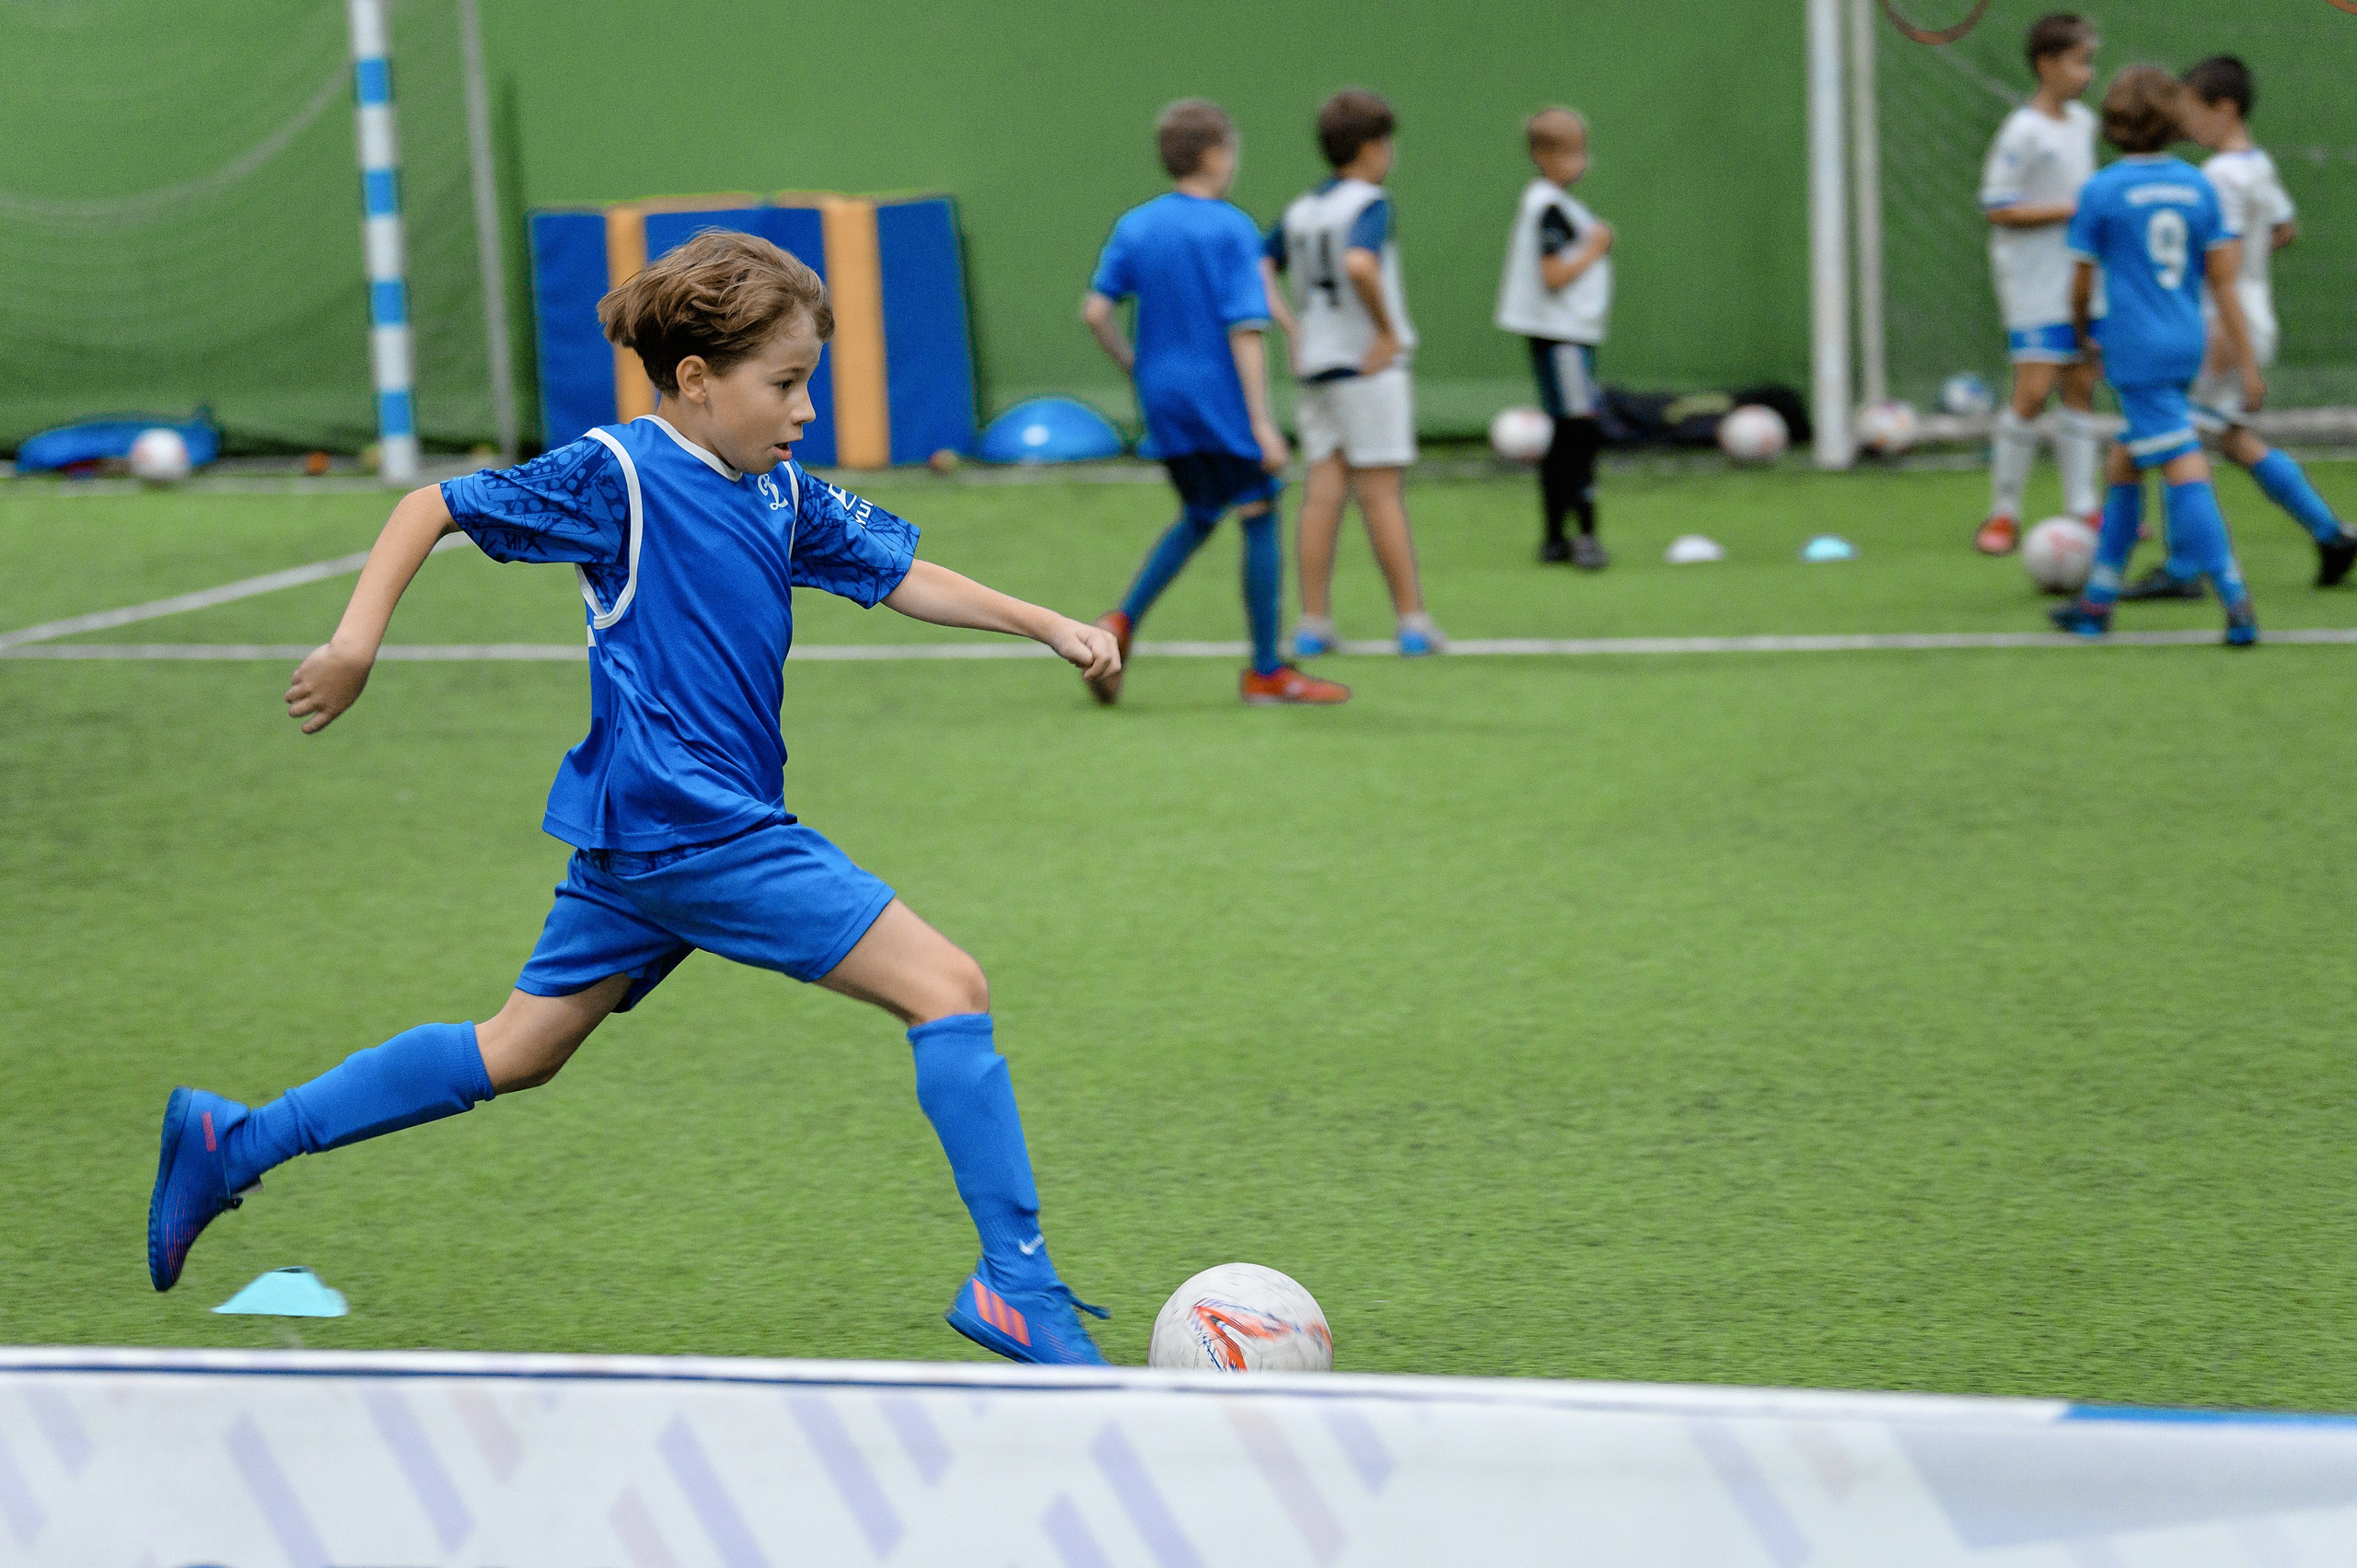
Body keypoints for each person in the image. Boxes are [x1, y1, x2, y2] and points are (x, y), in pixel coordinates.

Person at [147, 231, 1124, 1365]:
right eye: (787, 383)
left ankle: (233, 1140)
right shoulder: (616, 475)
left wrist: (1048, 623)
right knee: (948, 985)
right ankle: (1017, 1281)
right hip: (697, 826)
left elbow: (902, 572)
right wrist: (354, 642)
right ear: (698, 381)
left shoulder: (778, 489)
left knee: (516, 1048)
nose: (806, 409)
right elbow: (431, 505)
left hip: (639, 842)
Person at [1081, 99, 1349, 706]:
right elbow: (1246, 331)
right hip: (1219, 399)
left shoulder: (1137, 225)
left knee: (1202, 511)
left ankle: (1118, 623)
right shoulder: (1232, 228)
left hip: (1163, 397)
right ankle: (1265, 671)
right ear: (1215, 154)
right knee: (1260, 508)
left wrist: (1133, 363)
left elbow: (1096, 311)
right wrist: (1262, 424)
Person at [2119, 54, 2355, 600]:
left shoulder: (2218, 176)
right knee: (2230, 439)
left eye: (2193, 112)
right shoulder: (2256, 163)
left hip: (2225, 324)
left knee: (2179, 437)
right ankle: (2331, 533)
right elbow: (2284, 229)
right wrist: (2248, 263)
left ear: (2223, 109)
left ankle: (2182, 568)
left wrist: (2231, 340)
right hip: (2252, 311)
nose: (2186, 125)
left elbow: (2218, 262)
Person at [2049, 66, 2263, 645]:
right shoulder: (2199, 187)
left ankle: (2235, 596)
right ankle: (2096, 601)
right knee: (2124, 461)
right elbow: (2223, 281)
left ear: (2114, 123)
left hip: (2134, 346)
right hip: (2185, 339)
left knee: (2182, 463)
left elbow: (2078, 284)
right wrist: (2245, 359)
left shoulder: (2101, 190)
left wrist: (2079, 334)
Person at [1262, 88, 1446, 659]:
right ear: (1370, 147)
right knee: (1382, 495)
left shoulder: (1301, 209)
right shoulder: (1370, 203)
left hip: (1317, 368)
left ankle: (1313, 623)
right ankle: (1412, 622)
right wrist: (1387, 331)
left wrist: (1295, 330)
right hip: (1368, 369)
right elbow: (1360, 263)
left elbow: (1259, 265)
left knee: (1322, 493)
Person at [1974, 13, 2104, 557]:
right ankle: (2003, 512)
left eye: (2091, 61)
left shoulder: (2085, 123)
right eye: (2079, 61)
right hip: (2031, 278)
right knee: (2031, 392)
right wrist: (2071, 210)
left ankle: (2084, 507)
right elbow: (1997, 206)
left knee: (2080, 387)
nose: (2088, 74)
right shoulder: (2021, 130)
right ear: (2046, 65)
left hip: (2079, 274)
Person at [1495, 107, 1616, 568]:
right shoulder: (1548, 207)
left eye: (1583, 152)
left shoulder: (1559, 205)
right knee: (1578, 432)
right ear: (1542, 156)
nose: (1581, 162)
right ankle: (1583, 536)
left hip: (1568, 335)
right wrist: (1595, 248)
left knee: (1567, 433)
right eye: (1571, 153)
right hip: (1562, 335)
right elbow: (1553, 274)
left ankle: (1554, 539)